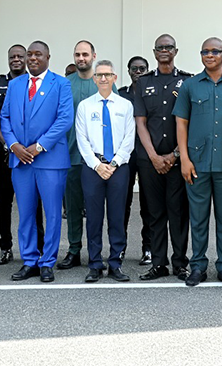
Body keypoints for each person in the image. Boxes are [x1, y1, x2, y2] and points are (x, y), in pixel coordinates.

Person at [174, 37, 222, 287]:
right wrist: (184, 159)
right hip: (196, 164)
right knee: (198, 218)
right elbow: (181, 123)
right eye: (205, 51)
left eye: (215, 51)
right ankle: (197, 266)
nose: (210, 55)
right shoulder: (190, 85)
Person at [0, 40, 74, 283]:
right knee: (26, 214)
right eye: (29, 54)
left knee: (52, 214)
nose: (32, 58)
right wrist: (14, 146)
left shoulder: (61, 83)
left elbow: (64, 119)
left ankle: (47, 263)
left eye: (37, 54)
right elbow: (5, 118)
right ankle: (29, 260)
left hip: (49, 159)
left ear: (48, 57)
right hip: (21, 161)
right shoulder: (15, 84)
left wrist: (39, 146)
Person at [133, 34, 192, 281]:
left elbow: (191, 122)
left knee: (178, 212)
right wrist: (155, 157)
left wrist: (175, 154)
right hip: (150, 162)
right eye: (160, 48)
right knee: (155, 213)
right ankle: (159, 263)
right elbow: (140, 123)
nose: (164, 51)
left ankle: (179, 263)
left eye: (169, 47)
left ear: (176, 51)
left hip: (179, 161)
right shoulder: (143, 83)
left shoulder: (187, 81)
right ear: (155, 53)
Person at [75, 60, 135, 282]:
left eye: (107, 75)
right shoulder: (85, 106)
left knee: (117, 217)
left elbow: (129, 137)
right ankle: (94, 264)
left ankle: (115, 263)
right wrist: (97, 165)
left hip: (118, 167)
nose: (103, 79)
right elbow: (81, 139)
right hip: (93, 168)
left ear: (114, 78)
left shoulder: (125, 106)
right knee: (93, 217)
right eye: (99, 75)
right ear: (94, 78)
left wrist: (114, 163)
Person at [0, 44, 45, 263]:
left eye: (20, 56)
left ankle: (37, 246)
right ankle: (6, 247)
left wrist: (29, 147)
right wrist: (11, 145)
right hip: (6, 152)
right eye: (12, 56)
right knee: (4, 202)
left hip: (31, 153)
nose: (16, 59)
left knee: (33, 201)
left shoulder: (34, 83)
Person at [58, 40, 99, 271]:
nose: (81, 58)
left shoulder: (103, 83)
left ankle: (95, 251)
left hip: (96, 158)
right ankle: (74, 250)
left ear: (94, 55)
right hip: (71, 155)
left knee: (94, 207)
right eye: (77, 54)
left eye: (85, 54)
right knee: (72, 207)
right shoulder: (65, 84)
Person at [119, 55, 152, 266]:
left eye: (142, 69)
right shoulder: (121, 95)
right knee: (122, 202)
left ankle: (148, 248)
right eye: (134, 69)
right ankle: (119, 247)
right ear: (129, 71)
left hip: (147, 153)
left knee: (148, 205)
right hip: (126, 155)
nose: (138, 72)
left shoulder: (152, 93)